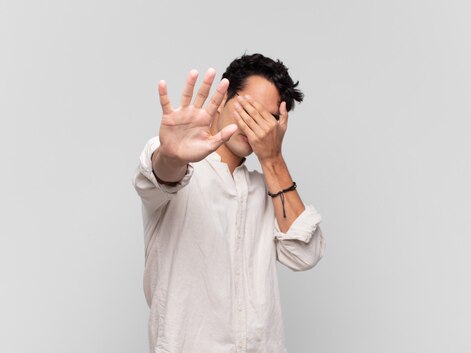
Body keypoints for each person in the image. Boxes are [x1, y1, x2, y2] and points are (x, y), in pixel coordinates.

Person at [133, 53, 326, 353]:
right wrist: (172, 154)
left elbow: (305, 254)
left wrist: (272, 158)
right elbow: (159, 175)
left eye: (268, 119)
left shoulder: (268, 189)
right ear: (222, 100)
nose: (254, 125)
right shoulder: (179, 165)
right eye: (247, 108)